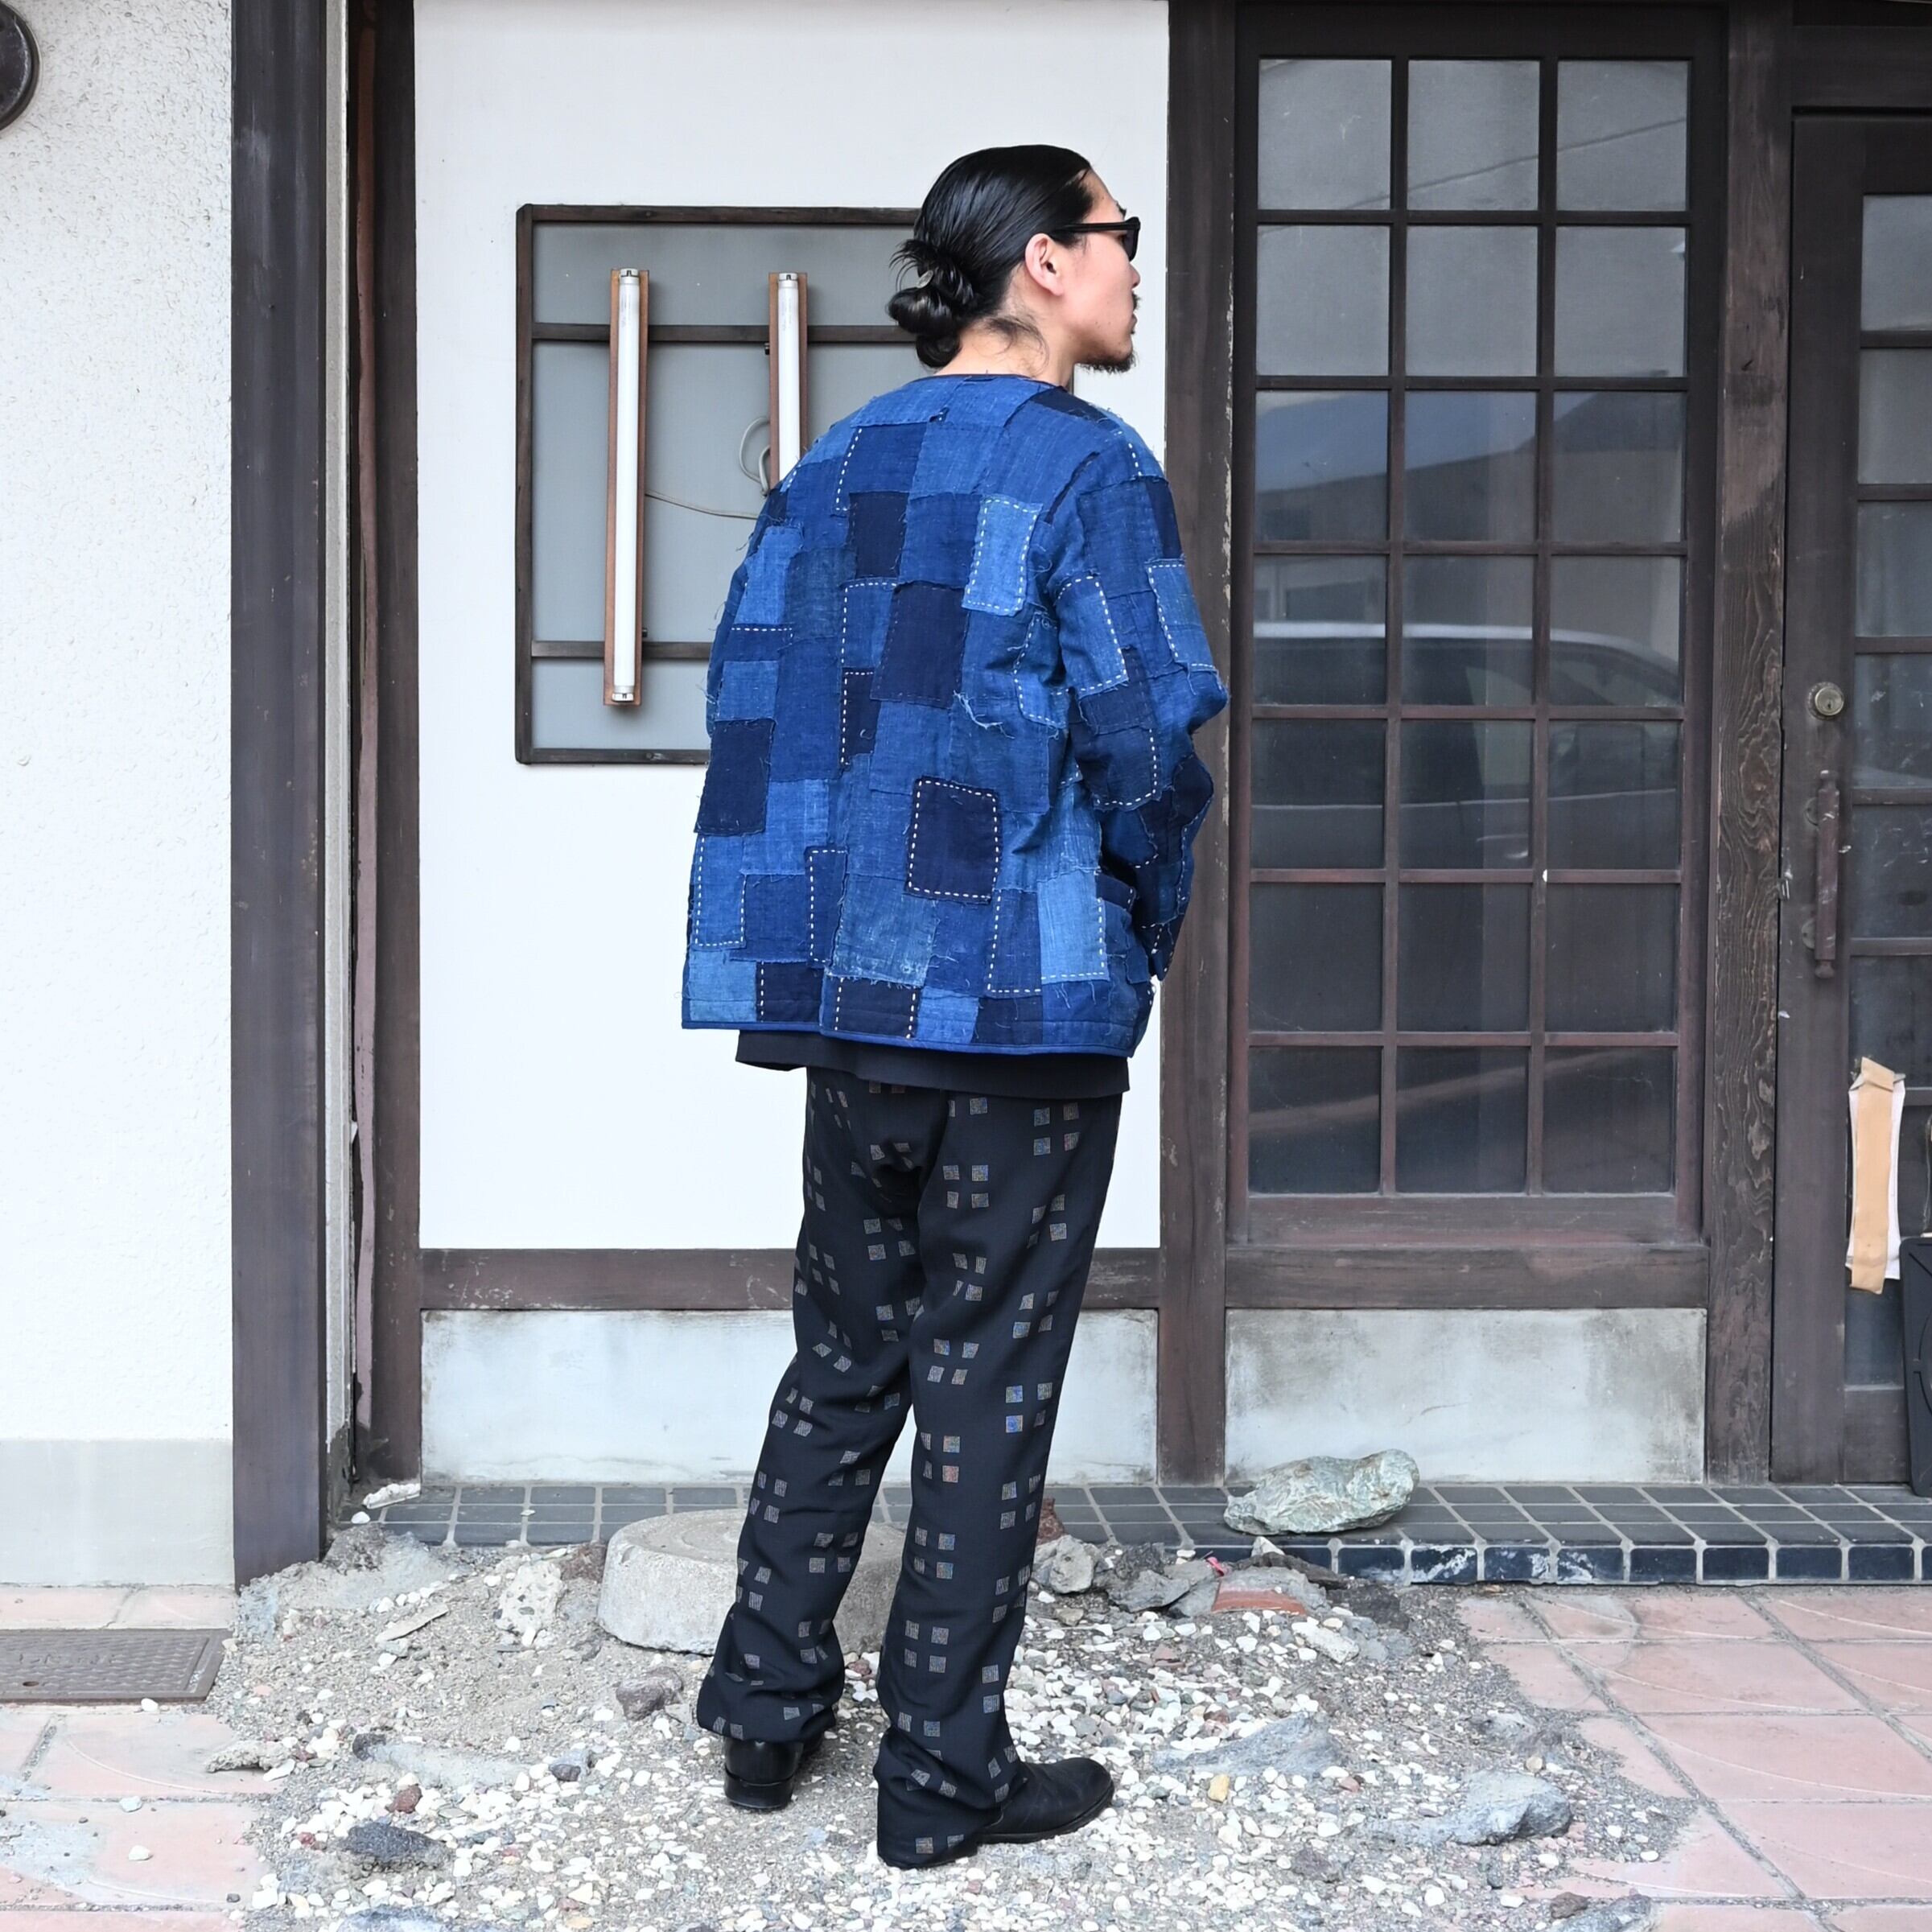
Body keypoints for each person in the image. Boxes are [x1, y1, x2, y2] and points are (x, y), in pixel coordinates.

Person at [678, 143, 1229, 1871]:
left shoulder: (836, 461)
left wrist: (806, 938)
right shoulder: (1086, 464)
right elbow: (1148, 734)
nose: (1135, 265)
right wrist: (1134, 924)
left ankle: (765, 1716)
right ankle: (938, 1779)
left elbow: (756, 708)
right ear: (1044, 261)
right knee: (986, 1380)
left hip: (857, 1001)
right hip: (1017, 1006)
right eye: (1120, 235)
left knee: (845, 1354)